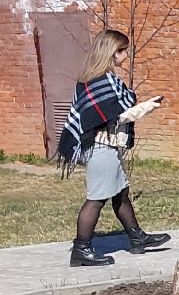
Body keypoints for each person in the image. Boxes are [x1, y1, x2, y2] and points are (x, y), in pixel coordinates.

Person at [54, 29, 170, 268]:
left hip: (107, 146)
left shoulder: (101, 78)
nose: (125, 54)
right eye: (122, 50)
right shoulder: (99, 81)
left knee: (120, 193)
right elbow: (118, 116)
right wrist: (148, 106)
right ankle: (81, 249)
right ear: (112, 53)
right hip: (100, 147)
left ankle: (137, 238)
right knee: (96, 199)